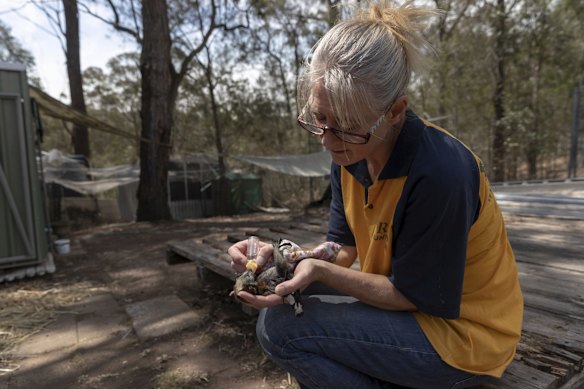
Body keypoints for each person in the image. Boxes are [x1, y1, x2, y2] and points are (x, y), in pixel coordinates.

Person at [228, 1, 523, 388]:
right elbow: (342, 248)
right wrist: (281, 261)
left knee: (283, 329)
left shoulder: (440, 173)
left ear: (396, 110)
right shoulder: (350, 154)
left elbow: (411, 294)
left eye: (348, 126)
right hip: (411, 315)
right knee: (278, 315)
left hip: (464, 338)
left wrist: (319, 271)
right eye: (320, 119)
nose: (328, 141)